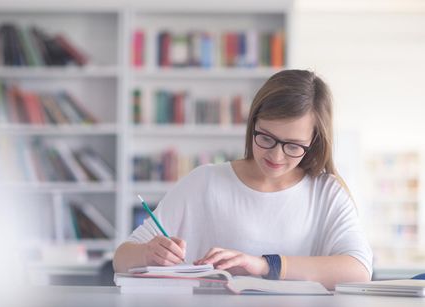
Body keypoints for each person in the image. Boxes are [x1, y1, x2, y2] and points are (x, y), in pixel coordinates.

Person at [113, 69, 372, 289]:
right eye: (266, 137)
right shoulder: (205, 182)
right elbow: (122, 257)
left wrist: (264, 265)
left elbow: (359, 269)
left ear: (314, 142)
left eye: (293, 145)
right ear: (253, 123)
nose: (276, 155)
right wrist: (148, 253)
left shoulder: (325, 192)